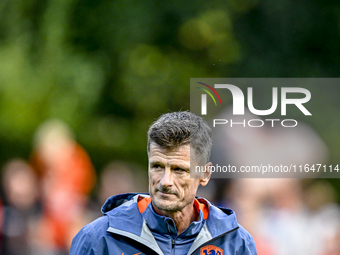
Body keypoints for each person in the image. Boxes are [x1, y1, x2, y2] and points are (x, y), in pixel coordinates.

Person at [70, 111, 257, 255]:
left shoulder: (236, 243)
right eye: (158, 166)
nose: (165, 181)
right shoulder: (98, 237)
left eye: (178, 170)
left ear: (205, 174)